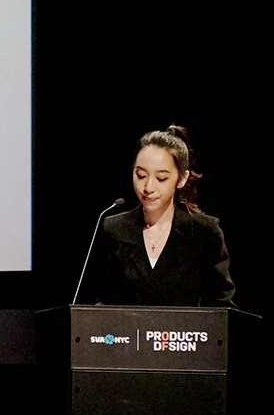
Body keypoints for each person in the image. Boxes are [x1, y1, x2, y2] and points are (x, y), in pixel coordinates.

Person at [80, 125, 236, 307]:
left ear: (182, 179)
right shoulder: (114, 229)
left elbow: (221, 309)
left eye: (161, 178)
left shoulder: (204, 232)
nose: (148, 187)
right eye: (141, 175)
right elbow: (99, 303)